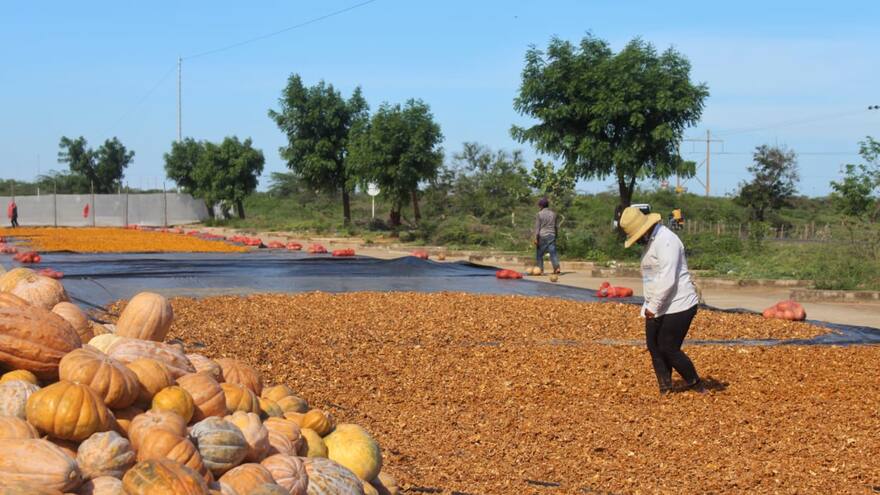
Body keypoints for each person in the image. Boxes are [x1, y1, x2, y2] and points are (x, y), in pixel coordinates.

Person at [619, 206, 705, 394]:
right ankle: (665, 388)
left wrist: (654, 306)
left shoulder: (666, 240)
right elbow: (652, 277)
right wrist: (649, 305)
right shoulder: (651, 241)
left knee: (668, 346)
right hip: (656, 303)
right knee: (654, 346)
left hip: (678, 303)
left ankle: (696, 384)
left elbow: (668, 278)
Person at [533, 197, 560, 274]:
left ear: (541, 206)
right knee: (553, 252)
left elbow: (537, 227)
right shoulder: (553, 214)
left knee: (539, 254)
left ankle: (540, 270)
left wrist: (536, 238)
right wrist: (556, 234)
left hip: (543, 235)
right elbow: (556, 226)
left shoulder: (539, 214)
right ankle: (556, 268)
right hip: (552, 234)